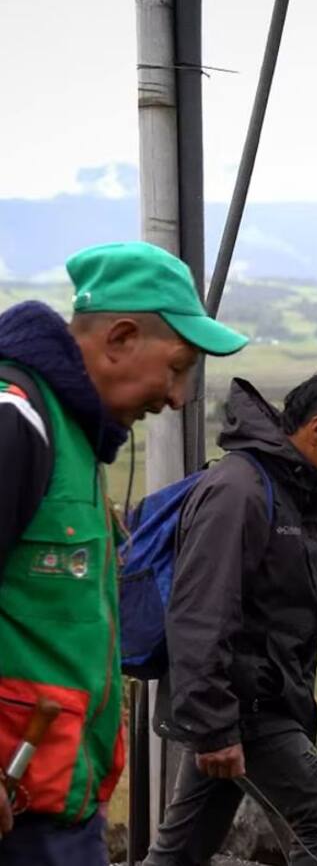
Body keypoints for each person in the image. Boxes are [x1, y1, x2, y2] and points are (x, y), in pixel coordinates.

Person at [0, 241, 248, 864]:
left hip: (53, 803)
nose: (178, 396)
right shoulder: (16, 423)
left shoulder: (76, 442)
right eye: (177, 365)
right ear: (121, 339)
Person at [144, 370, 317, 866]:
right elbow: (198, 612)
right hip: (247, 707)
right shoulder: (240, 490)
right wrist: (214, 726)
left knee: (184, 850)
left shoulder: (281, 488)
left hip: (245, 702)